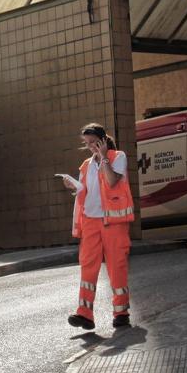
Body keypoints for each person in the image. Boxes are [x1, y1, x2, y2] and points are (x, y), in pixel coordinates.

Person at [62, 123, 135, 331]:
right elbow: (86, 191)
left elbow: (112, 181)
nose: (90, 146)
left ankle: (121, 313)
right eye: (87, 144)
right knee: (87, 266)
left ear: (103, 140)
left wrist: (103, 156)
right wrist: (73, 187)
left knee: (116, 266)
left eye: (93, 142)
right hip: (91, 221)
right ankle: (85, 314)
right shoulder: (85, 165)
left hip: (112, 222)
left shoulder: (117, 157)